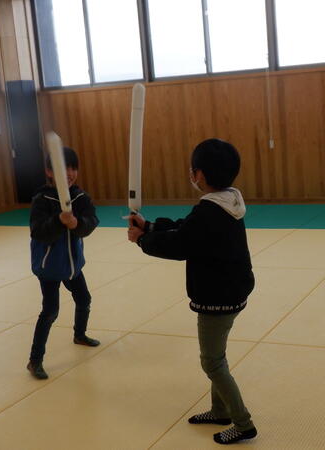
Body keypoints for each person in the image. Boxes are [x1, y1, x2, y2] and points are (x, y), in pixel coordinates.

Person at [128, 138, 257, 445]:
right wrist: (150, 227)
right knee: (218, 356)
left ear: (199, 174)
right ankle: (219, 410)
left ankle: (243, 423)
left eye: (192, 169)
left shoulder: (209, 212)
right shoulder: (226, 202)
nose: (191, 174)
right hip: (233, 289)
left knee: (212, 362)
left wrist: (142, 240)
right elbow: (186, 228)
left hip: (217, 296)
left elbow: (181, 244)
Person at [27, 147, 100, 380]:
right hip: (49, 268)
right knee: (50, 311)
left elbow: (91, 222)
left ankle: (80, 335)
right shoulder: (42, 199)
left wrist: (77, 224)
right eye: (62, 168)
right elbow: (38, 232)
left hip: (73, 266)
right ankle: (35, 360)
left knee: (84, 299)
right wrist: (59, 221)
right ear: (49, 172)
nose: (69, 173)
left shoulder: (80, 197)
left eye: (72, 168)